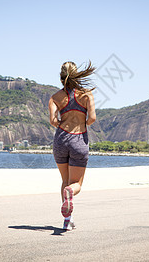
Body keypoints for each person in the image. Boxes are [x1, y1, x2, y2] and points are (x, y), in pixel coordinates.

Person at [48, 61, 96, 231]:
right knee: (75, 184)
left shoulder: (55, 98)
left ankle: (67, 220)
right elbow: (92, 118)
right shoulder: (87, 95)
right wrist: (81, 121)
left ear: (61, 76)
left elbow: (53, 121)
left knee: (65, 180)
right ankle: (70, 195)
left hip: (61, 140)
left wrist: (63, 121)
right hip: (79, 139)